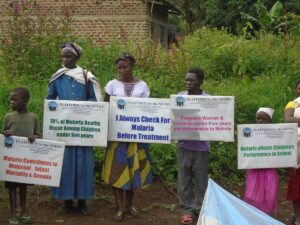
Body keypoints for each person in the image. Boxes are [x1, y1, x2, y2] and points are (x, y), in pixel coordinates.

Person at [47, 42, 102, 215]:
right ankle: (66, 201)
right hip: (65, 129)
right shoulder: (57, 77)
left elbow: (96, 101)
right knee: (65, 165)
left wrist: (81, 108)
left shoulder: (87, 77)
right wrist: (59, 109)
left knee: (84, 164)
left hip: (83, 130)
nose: (65, 59)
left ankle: (83, 202)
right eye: (63, 56)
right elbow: (50, 100)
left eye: (68, 56)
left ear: (77, 57)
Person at [102, 52, 152, 222]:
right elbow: (105, 107)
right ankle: (119, 209)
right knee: (117, 171)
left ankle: (129, 206)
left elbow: (149, 110)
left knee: (133, 171)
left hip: (136, 137)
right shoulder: (111, 85)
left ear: (132, 66)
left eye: (125, 67)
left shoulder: (143, 86)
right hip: (117, 137)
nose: (122, 70)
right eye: (119, 68)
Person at [177, 67, 210, 225]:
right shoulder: (180, 97)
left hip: (202, 147)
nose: (188, 83)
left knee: (201, 180)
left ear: (200, 81)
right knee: (184, 179)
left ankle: (199, 209)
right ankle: (186, 210)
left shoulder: (208, 99)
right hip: (184, 145)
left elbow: (213, 122)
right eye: (186, 80)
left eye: (192, 80)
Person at [2, 87, 38, 225]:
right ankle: (12, 214)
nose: (11, 102)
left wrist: (34, 137)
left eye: (15, 99)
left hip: (25, 160)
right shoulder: (8, 117)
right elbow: (3, 134)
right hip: (11, 160)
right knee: (12, 187)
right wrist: (6, 133)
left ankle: (23, 212)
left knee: (23, 186)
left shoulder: (33, 118)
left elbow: (37, 135)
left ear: (25, 101)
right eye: (11, 99)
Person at [243, 107, 278, 214]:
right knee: (252, 191)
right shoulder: (249, 133)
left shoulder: (277, 135)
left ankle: (266, 214)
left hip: (269, 169)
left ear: (270, 121)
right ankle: (253, 214)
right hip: (254, 169)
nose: (260, 121)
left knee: (269, 191)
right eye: (258, 118)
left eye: (264, 119)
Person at [284, 80, 300, 225]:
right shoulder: (292, 104)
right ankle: (298, 216)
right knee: (296, 185)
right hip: (296, 150)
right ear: (296, 90)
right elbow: (288, 119)